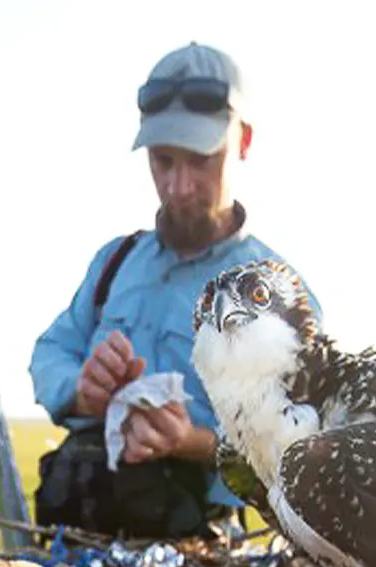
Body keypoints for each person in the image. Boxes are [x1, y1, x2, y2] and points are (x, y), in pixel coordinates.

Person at [29, 41, 318, 540]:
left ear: (243, 142)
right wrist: (83, 390)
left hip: (199, 548)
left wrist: (191, 442)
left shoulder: (280, 295)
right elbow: (51, 352)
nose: (179, 186)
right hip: (76, 528)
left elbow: (299, 450)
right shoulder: (114, 262)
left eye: (201, 160)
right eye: (163, 162)